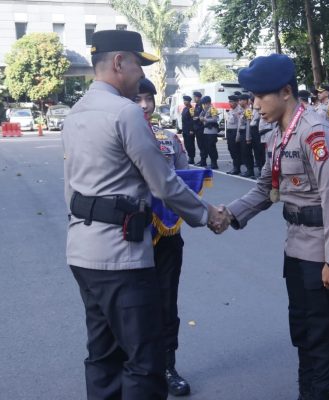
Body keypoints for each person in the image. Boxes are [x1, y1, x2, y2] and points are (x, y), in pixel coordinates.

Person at [61, 30, 228, 400]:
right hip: (122, 255)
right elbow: (164, 183)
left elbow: (71, 187)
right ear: (119, 62)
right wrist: (208, 215)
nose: (140, 74)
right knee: (144, 361)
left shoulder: (75, 114)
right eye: (138, 63)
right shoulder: (125, 113)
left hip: (83, 251)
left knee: (103, 356)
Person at [221, 53, 329, 400]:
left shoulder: (315, 132)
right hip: (296, 248)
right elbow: (268, 186)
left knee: (321, 335)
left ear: (284, 91)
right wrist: (230, 214)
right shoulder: (280, 133)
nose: (254, 104)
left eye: (259, 96)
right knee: (302, 330)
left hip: (322, 253)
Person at [135, 78, 192, 396]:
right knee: (134, 305)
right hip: (131, 235)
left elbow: (185, 178)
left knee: (167, 302)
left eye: (148, 99)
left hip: (167, 235)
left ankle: (168, 365)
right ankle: (140, 366)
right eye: (137, 99)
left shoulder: (170, 139)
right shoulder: (118, 137)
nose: (144, 105)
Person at [238, 93, 256, 178]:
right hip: (242, 133)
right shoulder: (243, 110)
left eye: (241, 100)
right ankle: (248, 169)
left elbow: (248, 124)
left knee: (247, 153)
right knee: (244, 153)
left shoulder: (248, 110)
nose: (239, 102)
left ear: (245, 101)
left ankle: (250, 170)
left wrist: (248, 137)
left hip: (246, 133)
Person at [200, 96, 220, 170]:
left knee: (212, 148)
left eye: (204, 104)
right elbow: (200, 117)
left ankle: (214, 163)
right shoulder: (205, 110)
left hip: (212, 131)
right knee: (207, 147)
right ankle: (212, 162)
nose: (203, 105)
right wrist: (202, 117)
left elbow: (215, 119)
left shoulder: (213, 109)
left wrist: (205, 119)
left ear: (207, 103)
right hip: (206, 131)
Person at [225, 95, 242, 175]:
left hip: (235, 132)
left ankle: (237, 168)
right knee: (231, 149)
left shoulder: (239, 110)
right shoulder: (231, 110)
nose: (230, 103)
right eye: (229, 101)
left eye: (231, 101)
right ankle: (234, 167)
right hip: (230, 132)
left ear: (236, 102)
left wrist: (237, 136)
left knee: (236, 151)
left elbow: (239, 124)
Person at [180, 95, 196, 164]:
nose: (184, 102)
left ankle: (191, 158)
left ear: (189, 101)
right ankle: (189, 156)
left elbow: (193, 120)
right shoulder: (185, 109)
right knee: (186, 144)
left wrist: (192, 129)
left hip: (190, 130)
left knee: (190, 144)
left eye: (185, 101)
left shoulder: (191, 109)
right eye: (184, 101)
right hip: (185, 130)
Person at [192, 91, 206, 167]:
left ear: (198, 97)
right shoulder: (197, 105)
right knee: (200, 145)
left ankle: (203, 160)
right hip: (197, 128)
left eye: (195, 97)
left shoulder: (202, 105)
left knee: (202, 145)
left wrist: (197, 118)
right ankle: (202, 160)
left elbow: (203, 115)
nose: (194, 98)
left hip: (201, 127)